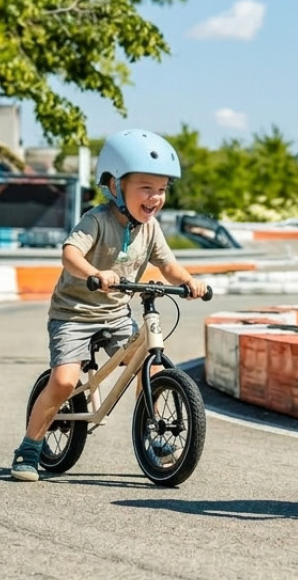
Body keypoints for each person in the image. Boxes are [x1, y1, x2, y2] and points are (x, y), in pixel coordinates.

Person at [11, 129, 209, 482]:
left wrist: (189, 281)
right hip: (74, 314)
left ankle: (152, 432)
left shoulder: (151, 229)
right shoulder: (97, 220)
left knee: (151, 367)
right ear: (116, 186)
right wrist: (94, 273)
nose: (155, 197)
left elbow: (169, 266)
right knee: (64, 382)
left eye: (162, 189)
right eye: (146, 188)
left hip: (116, 315)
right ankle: (29, 448)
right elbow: (70, 254)